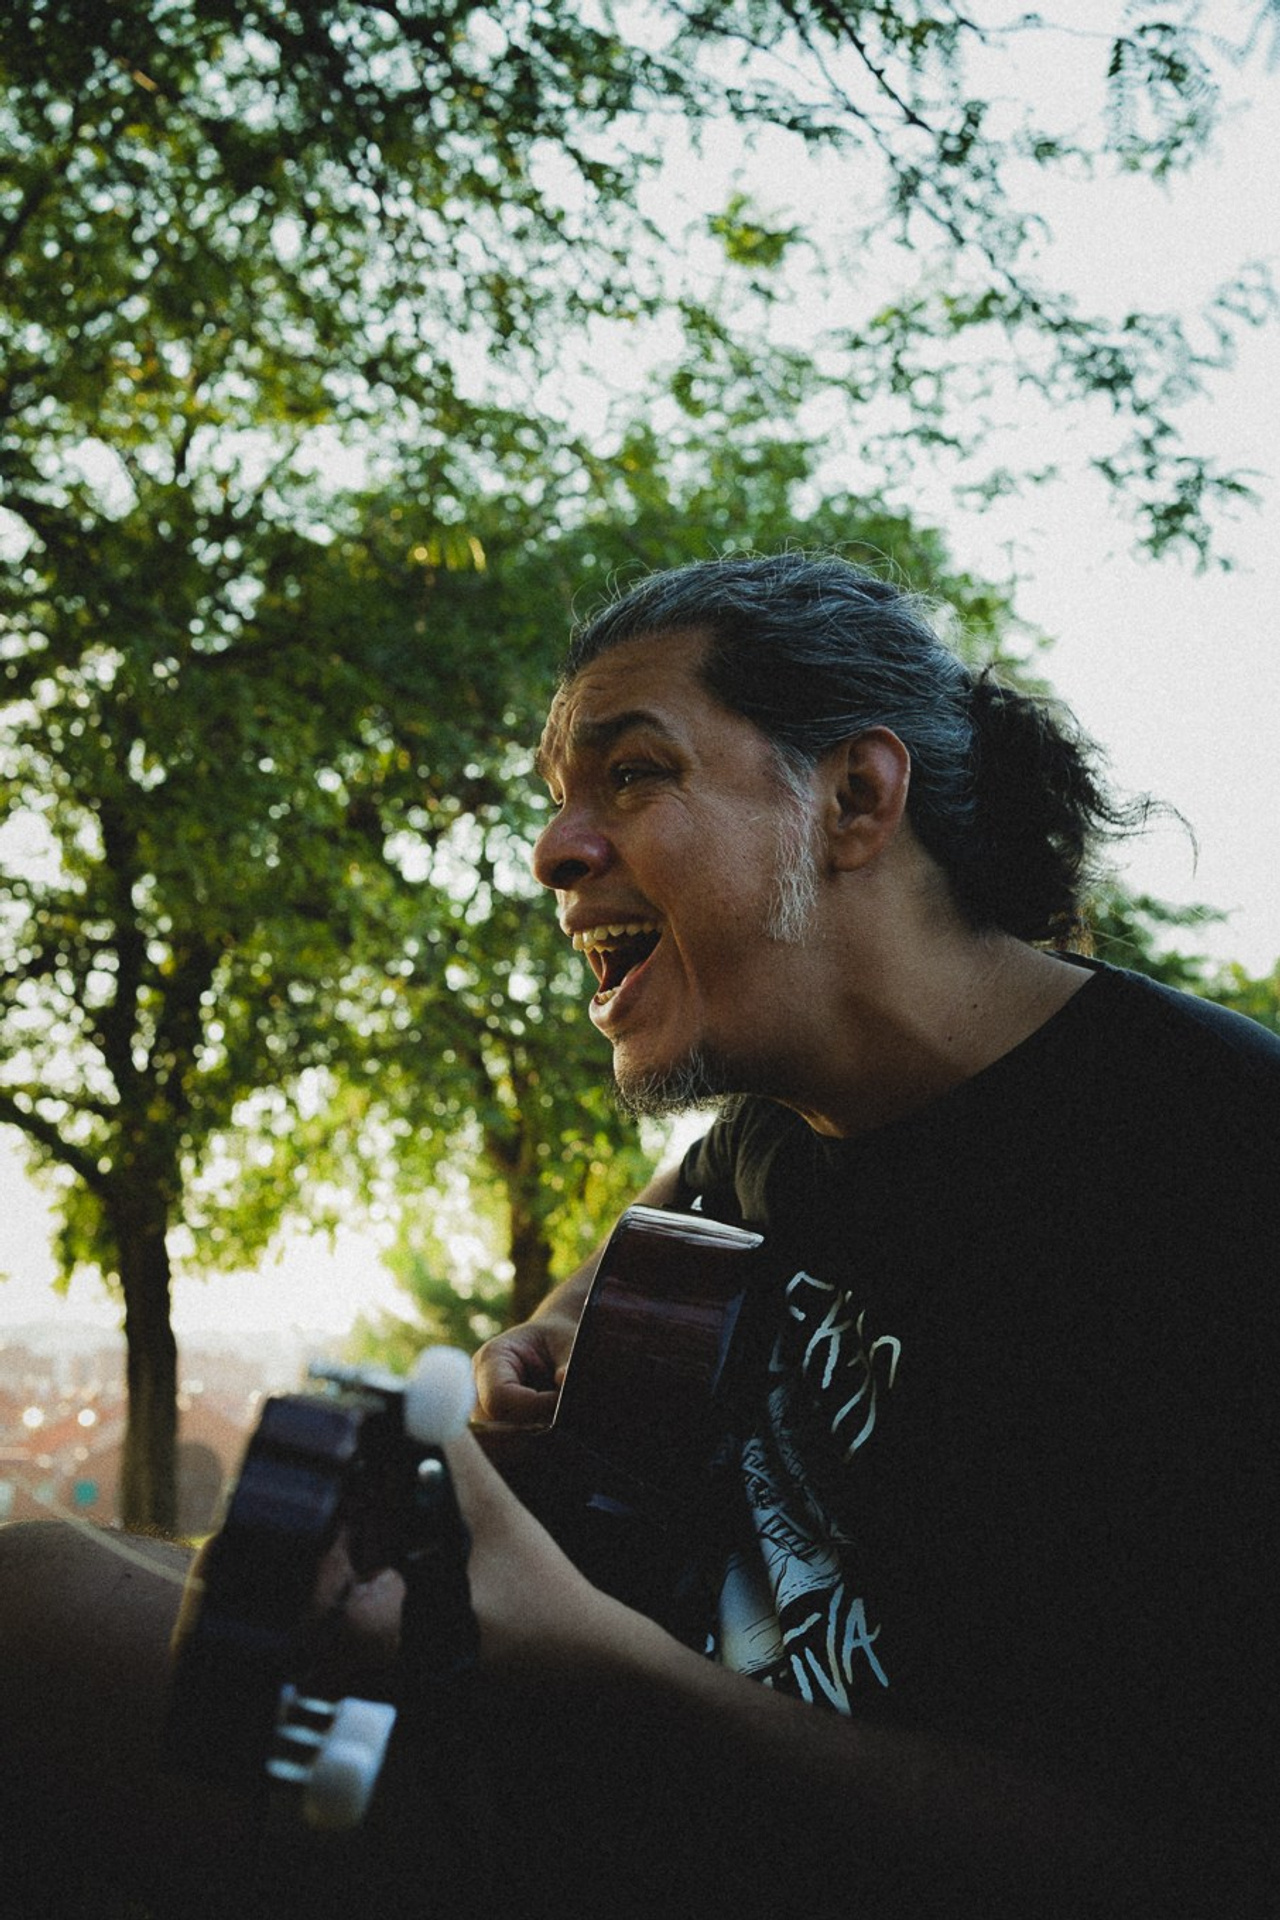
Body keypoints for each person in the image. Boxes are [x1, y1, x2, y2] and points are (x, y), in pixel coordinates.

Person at [0, 551, 1274, 1918]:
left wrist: (594, 1665)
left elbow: (1197, 1865)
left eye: (632, 774)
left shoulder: (1212, 1173)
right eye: (558, 801)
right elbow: (607, 1287)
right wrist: (540, 1348)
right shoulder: (778, 1133)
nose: (554, 852)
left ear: (854, 798)